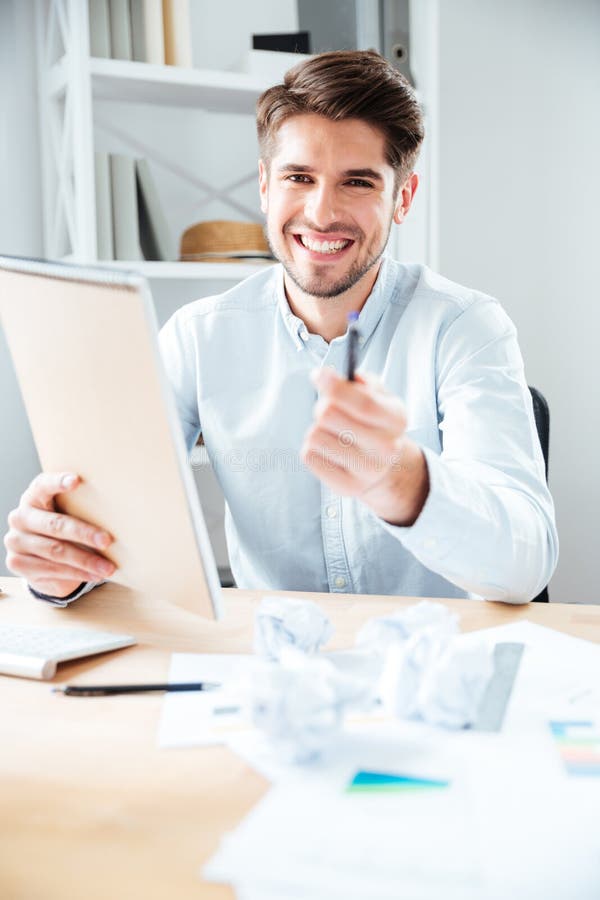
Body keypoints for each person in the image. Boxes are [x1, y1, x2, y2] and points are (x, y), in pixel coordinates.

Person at [4, 50, 558, 605]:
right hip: (271, 668)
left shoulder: (465, 327)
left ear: (402, 199)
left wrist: (405, 482)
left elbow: (526, 565)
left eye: (358, 182)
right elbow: (111, 518)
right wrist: (61, 564)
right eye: (300, 177)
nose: (321, 213)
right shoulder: (198, 338)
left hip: (432, 668)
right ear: (266, 186)